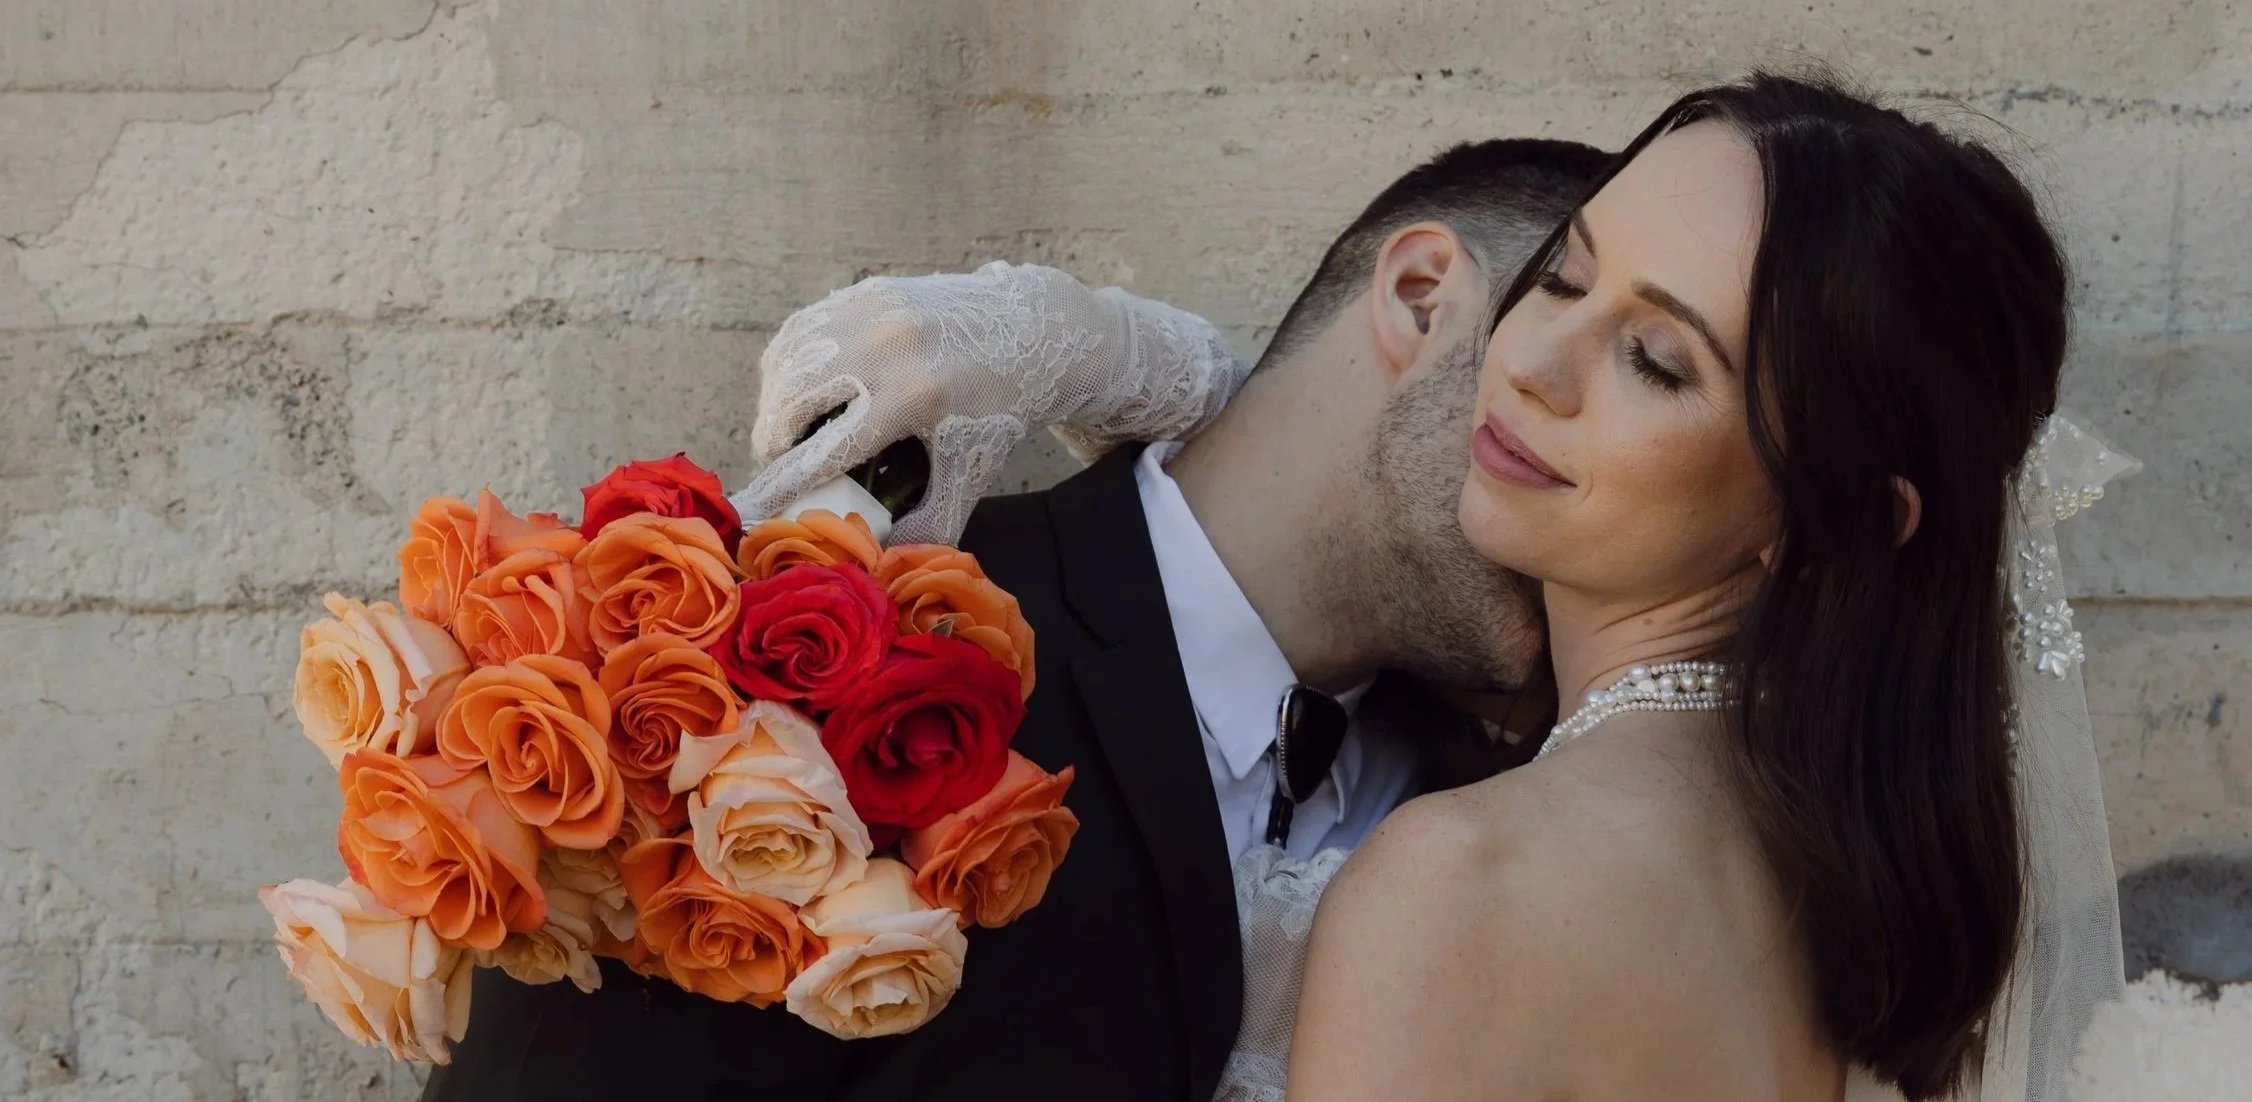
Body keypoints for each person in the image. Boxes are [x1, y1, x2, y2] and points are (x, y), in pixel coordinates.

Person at [758, 71, 2129, 1102]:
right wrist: (1137, 368)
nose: (1527, 362)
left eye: (1657, 362)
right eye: (1561, 276)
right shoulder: (1843, 891)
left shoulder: (1459, 880)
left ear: (1824, 514)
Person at [419, 137, 1611, 1102]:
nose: (1639, 499)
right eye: (1630, 372)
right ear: (1419, 298)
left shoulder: (1510, 816)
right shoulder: (824, 691)